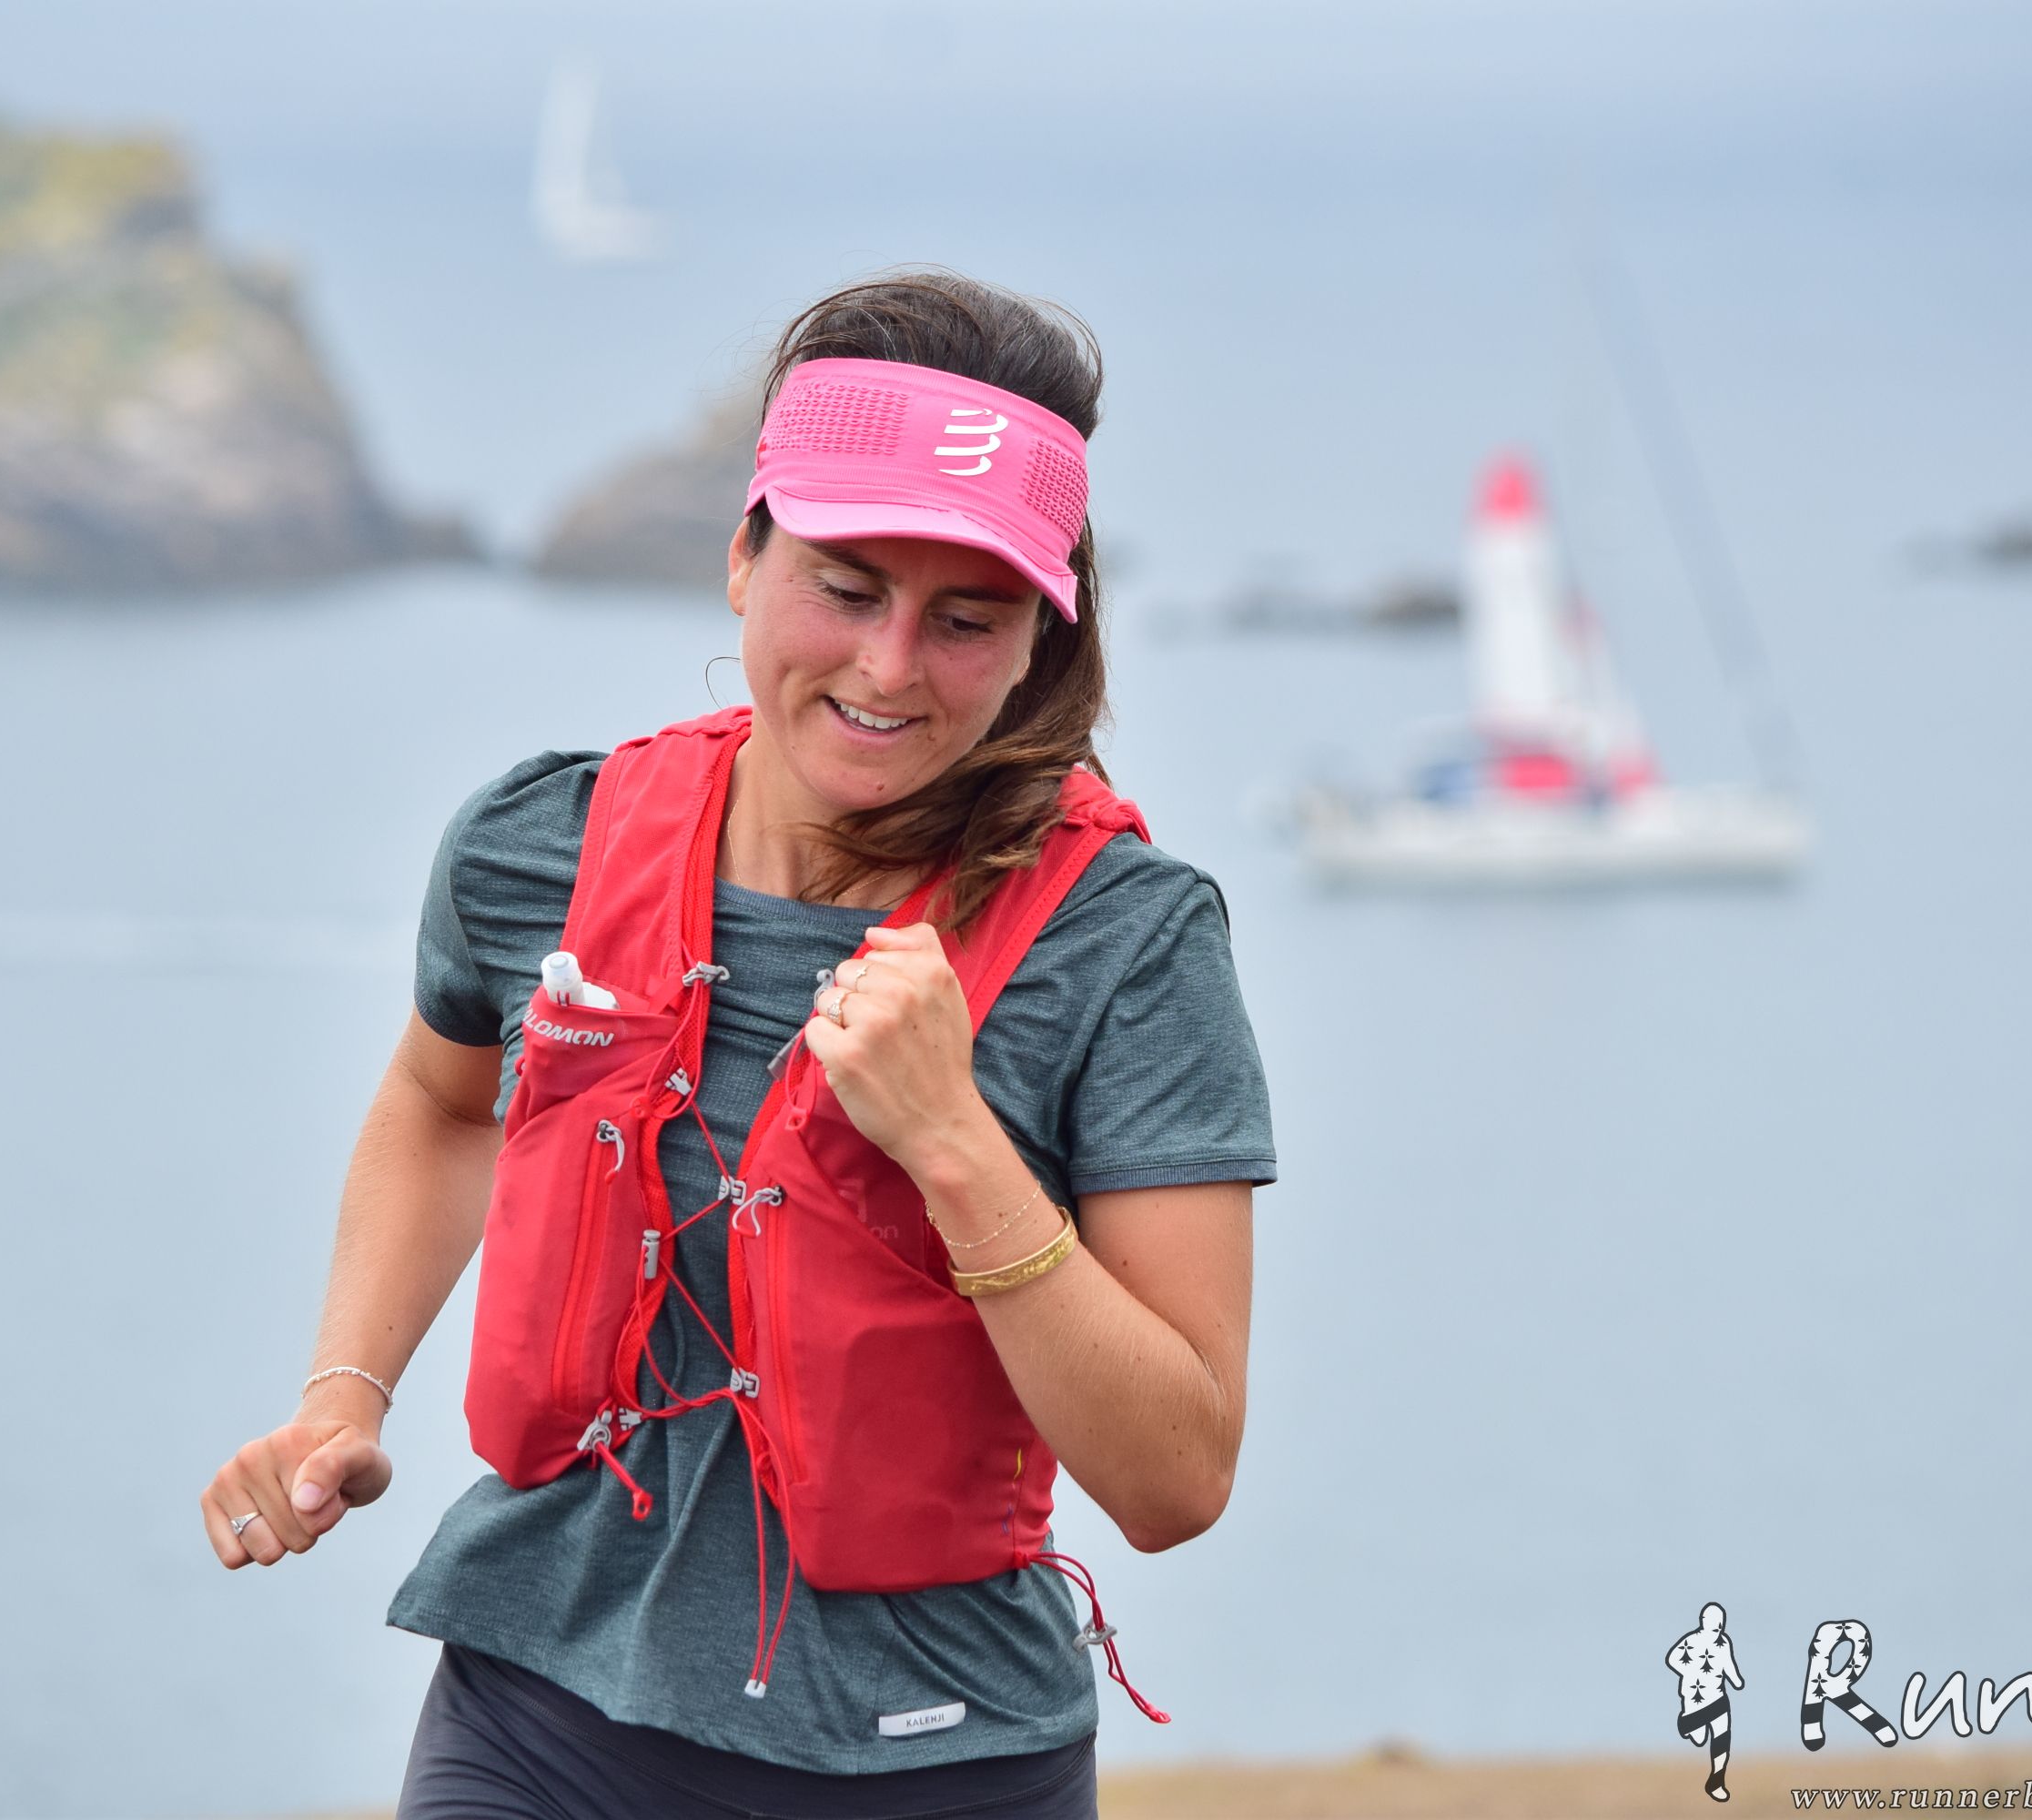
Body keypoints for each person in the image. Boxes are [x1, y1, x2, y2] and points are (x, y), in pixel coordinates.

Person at [197, 268, 1276, 1819]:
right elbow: (443, 1104)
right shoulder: (535, 844)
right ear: (742, 558)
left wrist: (956, 1143)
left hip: (940, 1761)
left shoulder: (1131, 944)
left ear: (1039, 639)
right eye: (846, 587)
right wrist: (344, 1396)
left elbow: (1177, 1479)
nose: (889, 667)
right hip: (535, 1721)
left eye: (965, 620)